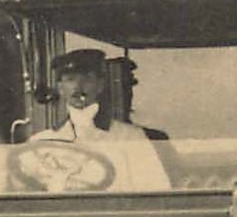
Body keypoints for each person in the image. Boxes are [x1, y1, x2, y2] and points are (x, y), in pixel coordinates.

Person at [27, 48, 169, 191]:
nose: (78, 86)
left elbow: (156, 190)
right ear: (60, 88)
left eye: (87, 78)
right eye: (70, 80)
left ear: (100, 85)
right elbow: (26, 193)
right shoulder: (41, 142)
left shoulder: (130, 137)